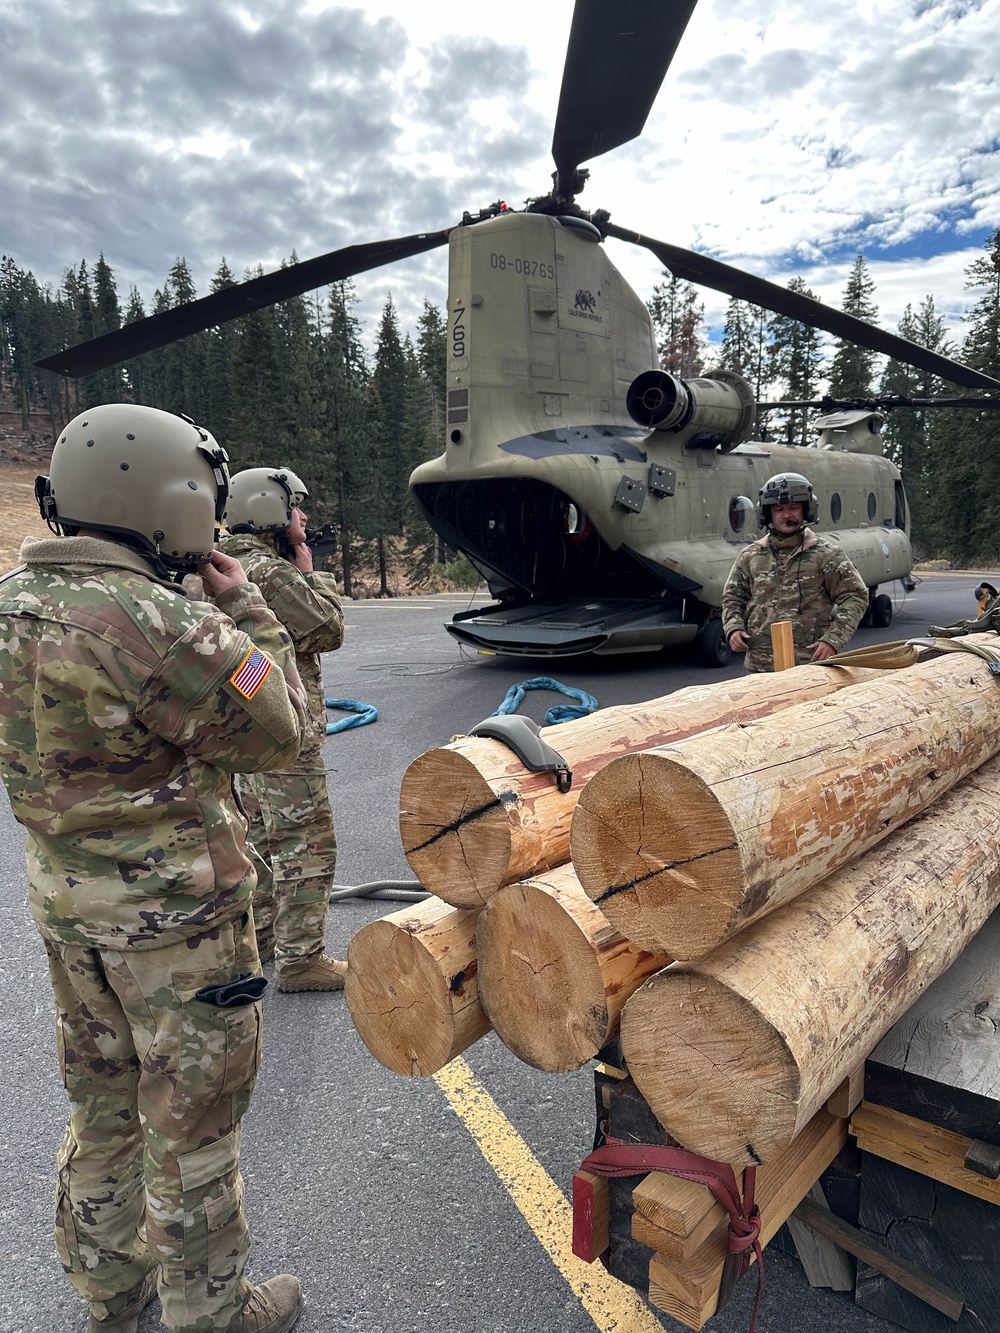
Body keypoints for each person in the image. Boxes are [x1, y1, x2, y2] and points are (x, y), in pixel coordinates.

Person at [0, 404, 307, 1333]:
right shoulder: (171, 627)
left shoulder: (10, 605)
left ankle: (110, 1289)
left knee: (103, 1107)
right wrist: (249, 609)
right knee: (192, 1125)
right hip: (181, 932)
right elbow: (281, 724)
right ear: (171, 498)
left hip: (67, 914)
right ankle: (210, 1315)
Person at [220, 466, 346, 993]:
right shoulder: (270, 572)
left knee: (263, 838)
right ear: (269, 510)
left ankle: (267, 937)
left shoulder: (225, 564)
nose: (304, 516)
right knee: (307, 839)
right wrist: (314, 574)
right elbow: (328, 629)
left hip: (243, 733)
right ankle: (302, 960)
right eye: (296, 506)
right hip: (282, 728)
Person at [721, 471, 868, 673]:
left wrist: (833, 640)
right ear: (767, 513)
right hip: (761, 666)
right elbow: (733, 597)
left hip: (810, 664)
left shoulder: (826, 555)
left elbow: (855, 597)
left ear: (807, 510)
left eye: (794, 508)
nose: (786, 515)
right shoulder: (751, 555)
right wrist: (734, 628)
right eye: (779, 509)